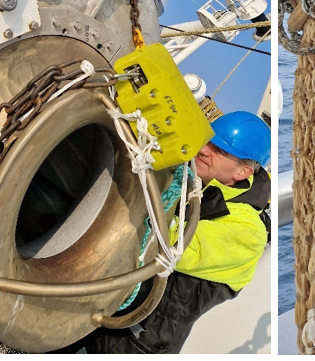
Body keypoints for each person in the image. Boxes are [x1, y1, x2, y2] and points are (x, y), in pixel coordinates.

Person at [86, 111, 271, 354]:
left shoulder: (249, 232)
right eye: (207, 140)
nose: (203, 150)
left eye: (220, 151)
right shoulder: (191, 179)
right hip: (101, 307)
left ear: (242, 173)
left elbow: (168, 244)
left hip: (139, 342)